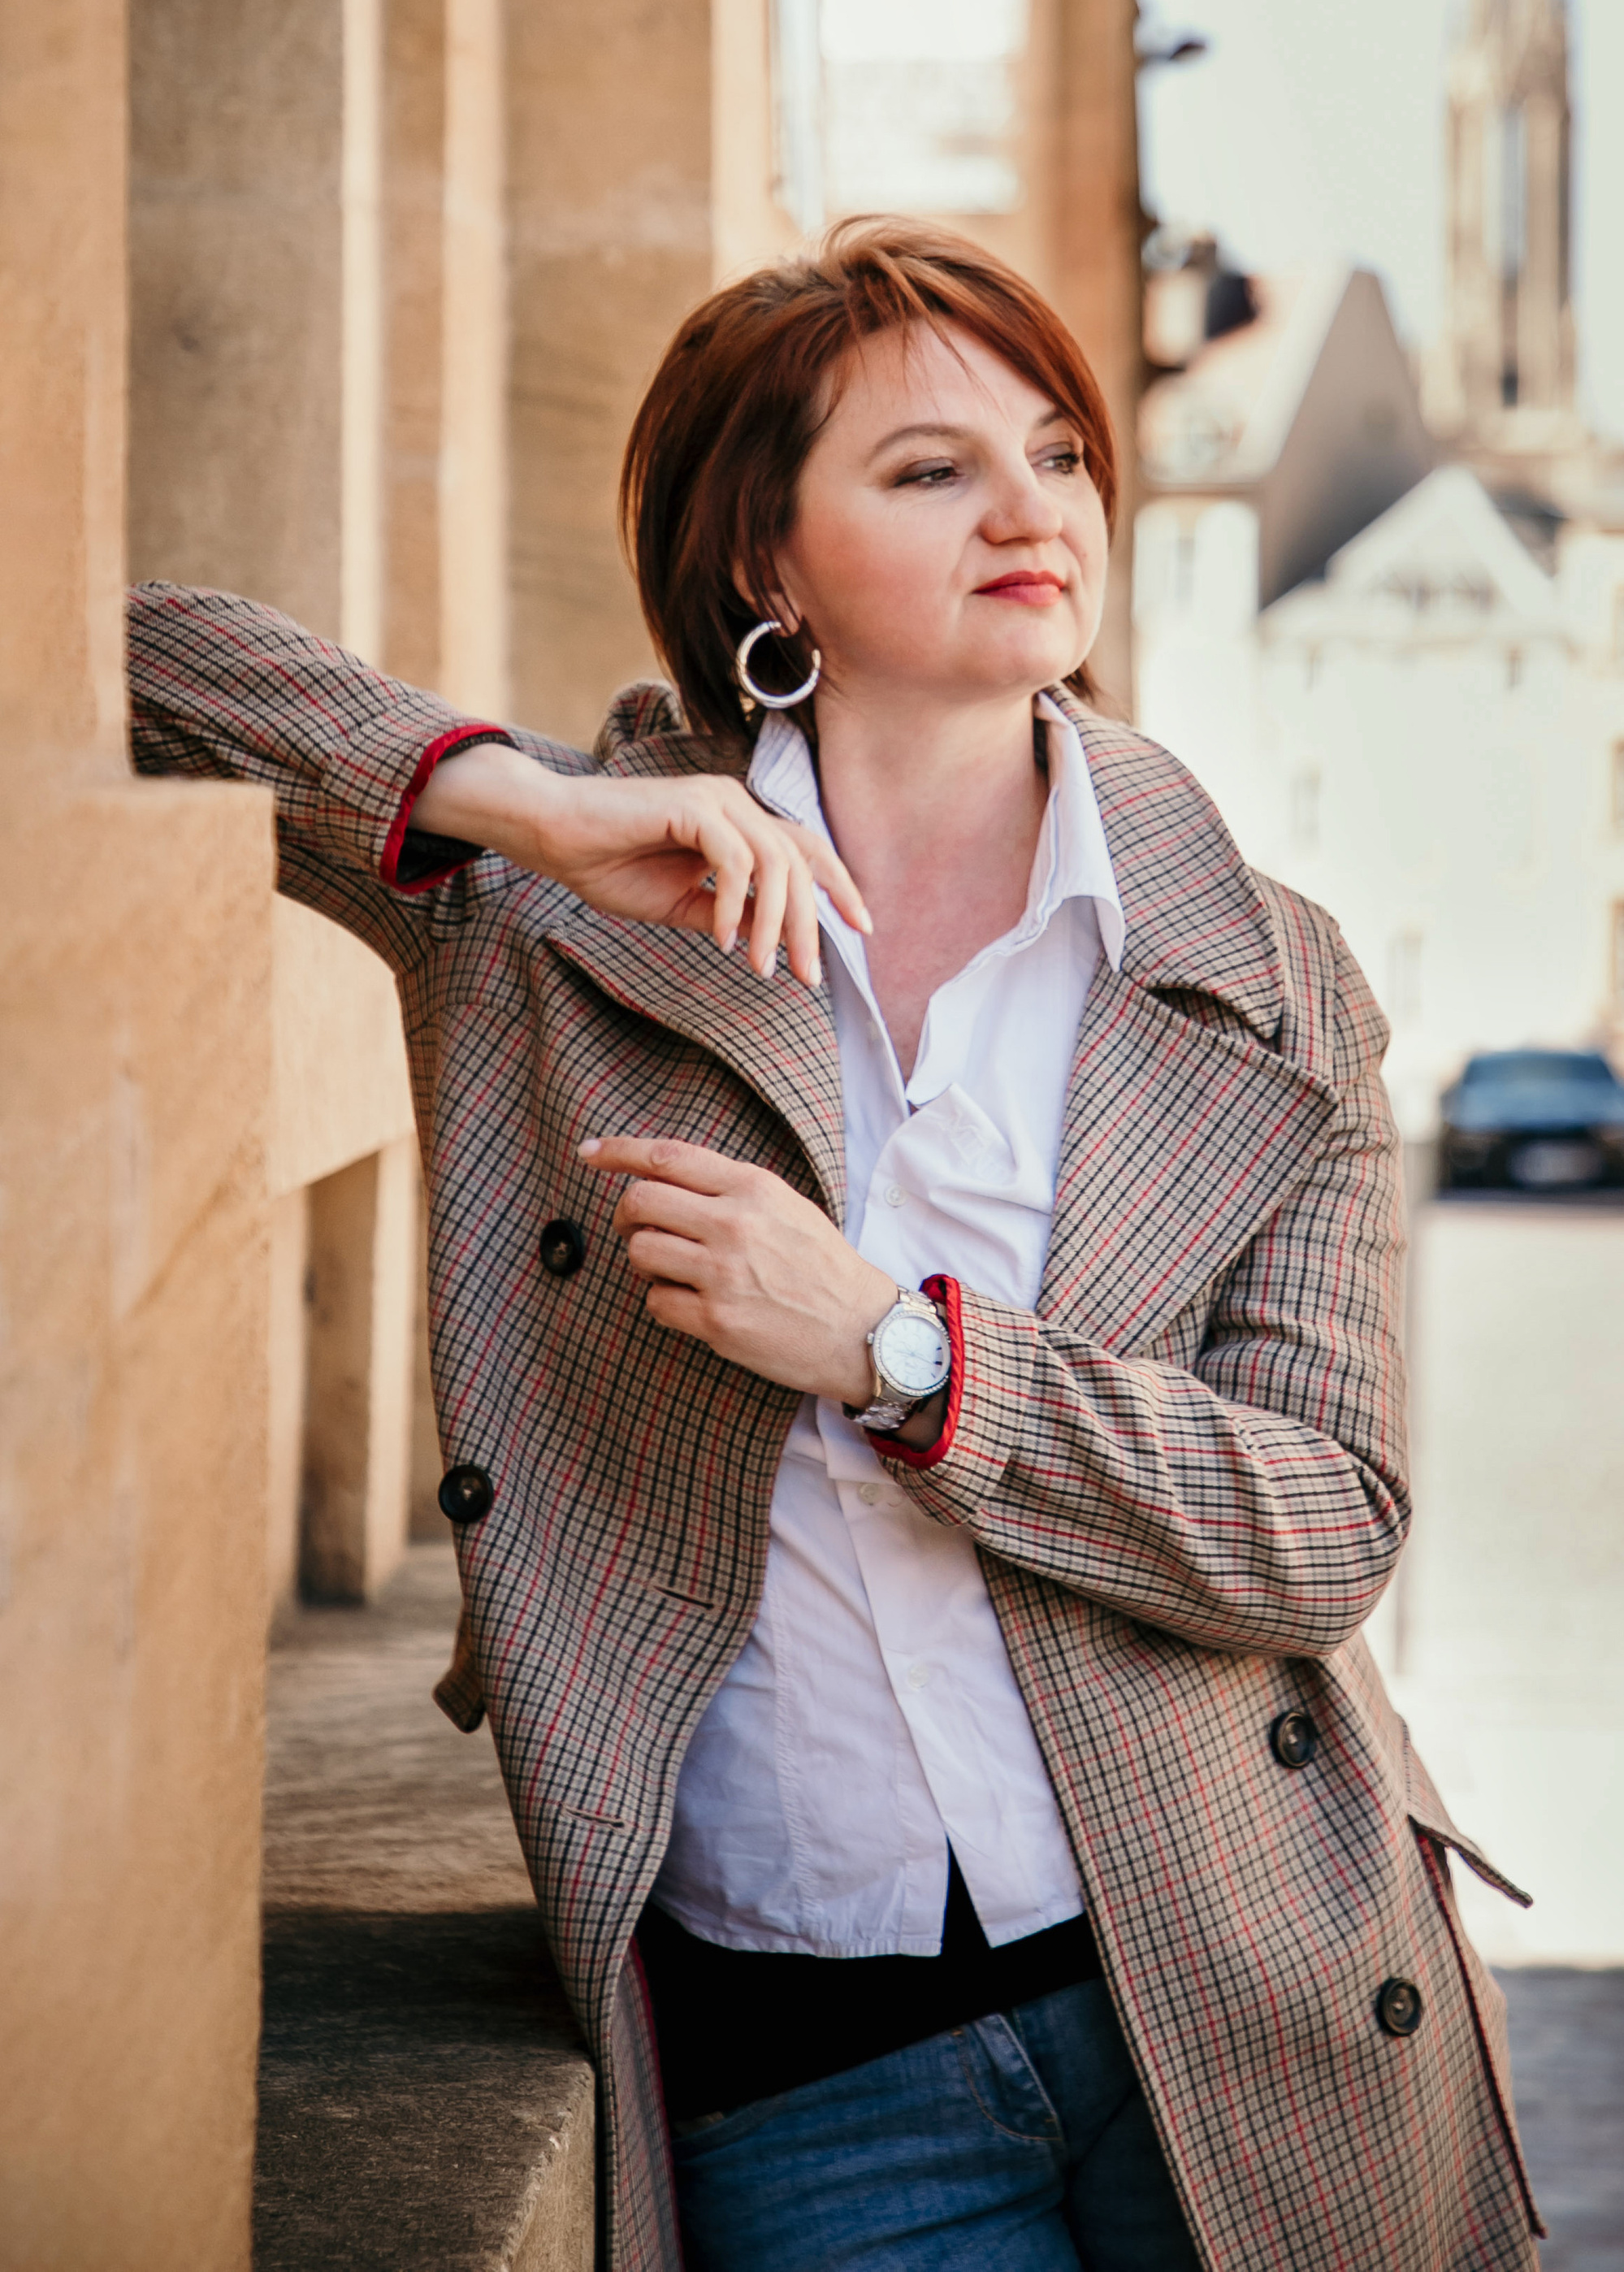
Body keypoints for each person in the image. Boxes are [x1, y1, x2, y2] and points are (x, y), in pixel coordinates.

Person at [128, 221, 1540, 2272]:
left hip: (1241, 2004)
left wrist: (905, 1354)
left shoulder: (1260, 977)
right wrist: (517, 804)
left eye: (1058, 453)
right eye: (927, 469)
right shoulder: (555, 921)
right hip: (804, 2080)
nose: (1029, 509)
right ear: (764, 565)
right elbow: (139, 661)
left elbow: (1321, 1523)